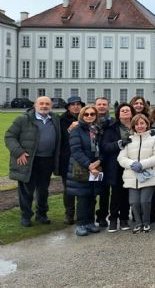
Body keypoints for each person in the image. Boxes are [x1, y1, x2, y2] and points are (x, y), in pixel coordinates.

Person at [5, 96, 61, 227]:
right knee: (26, 190)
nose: (44, 106)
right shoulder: (23, 119)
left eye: (47, 104)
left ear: (51, 106)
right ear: (35, 105)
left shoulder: (55, 119)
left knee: (43, 190)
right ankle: (26, 216)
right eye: (41, 103)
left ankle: (41, 214)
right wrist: (18, 152)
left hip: (47, 160)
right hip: (29, 160)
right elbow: (9, 136)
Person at [117, 114, 155, 233]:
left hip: (148, 175)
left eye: (142, 123)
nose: (140, 126)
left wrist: (142, 164)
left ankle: (146, 222)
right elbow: (121, 158)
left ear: (147, 124)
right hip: (132, 176)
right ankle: (138, 223)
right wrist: (132, 164)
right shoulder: (129, 140)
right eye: (137, 124)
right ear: (134, 126)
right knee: (134, 202)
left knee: (145, 201)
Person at [67, 105, 103, 236]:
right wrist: (89, 165)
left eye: (92, 114)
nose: (89, 116)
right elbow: (76, 151)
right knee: (82, 197)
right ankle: (81, 224)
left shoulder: (98, 129)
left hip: (96, 166)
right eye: (86, 114)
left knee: (92, 196)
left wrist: (98, 162)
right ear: (81, 116)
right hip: (81, 167)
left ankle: (90, 221)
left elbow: (102, 147)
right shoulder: (76, 130)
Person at [99, 104, 133, 232]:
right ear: (118, 114)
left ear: (131, 113)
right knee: (116, 194)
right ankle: (113, 219)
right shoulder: (112, 128)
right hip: (116, 165)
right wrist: (119, 144)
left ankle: (124, 218)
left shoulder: (136, 126)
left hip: (132, 165)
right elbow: (105, 146)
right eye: (122, 110)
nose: (125, 112)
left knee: (127, 194)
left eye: (127, 110)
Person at [59, 96, 85, 225]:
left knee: (83, 187)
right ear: (68, 107)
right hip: (67, 158)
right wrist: (70, 130)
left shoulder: (86, 117)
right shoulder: (62, 120)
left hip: (83, 158)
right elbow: (61, 139)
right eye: (73, 104)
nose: (76, 106)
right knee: (68, 189)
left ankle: (82, 214)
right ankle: (69, 214)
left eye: (78, 104)